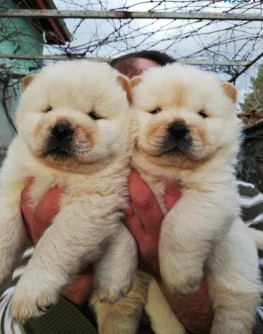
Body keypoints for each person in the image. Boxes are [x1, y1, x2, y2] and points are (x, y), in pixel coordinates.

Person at [0, 50, 262, 334]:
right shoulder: (38, 192)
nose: (176, 125)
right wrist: (71, 273)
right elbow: (9, 319)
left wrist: (172, 275)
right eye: (155, 110)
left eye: (94, 112)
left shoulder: (247, 199)